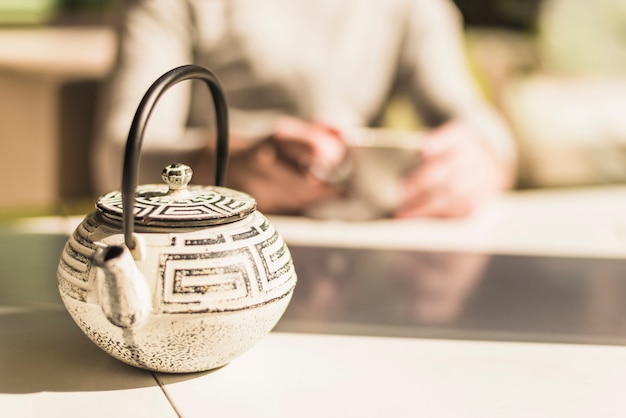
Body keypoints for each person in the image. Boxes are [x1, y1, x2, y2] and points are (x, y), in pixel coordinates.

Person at [94, 0, 517, 219]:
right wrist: (224, 166)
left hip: (358, 259)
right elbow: (119, 151)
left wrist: (481, 157)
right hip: (216, 243)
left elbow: (472, 117)